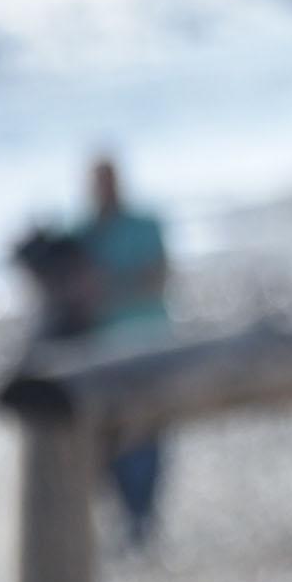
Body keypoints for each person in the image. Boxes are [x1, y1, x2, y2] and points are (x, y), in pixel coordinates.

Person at [76, 154, 175, 551]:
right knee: (112, 437)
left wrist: (108, 288)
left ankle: (144, 518)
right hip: (104, 351)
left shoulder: (144, 226)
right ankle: (128, 519)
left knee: (149, 434)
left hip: (148, 341)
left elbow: (158, 276)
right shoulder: (82, 234)